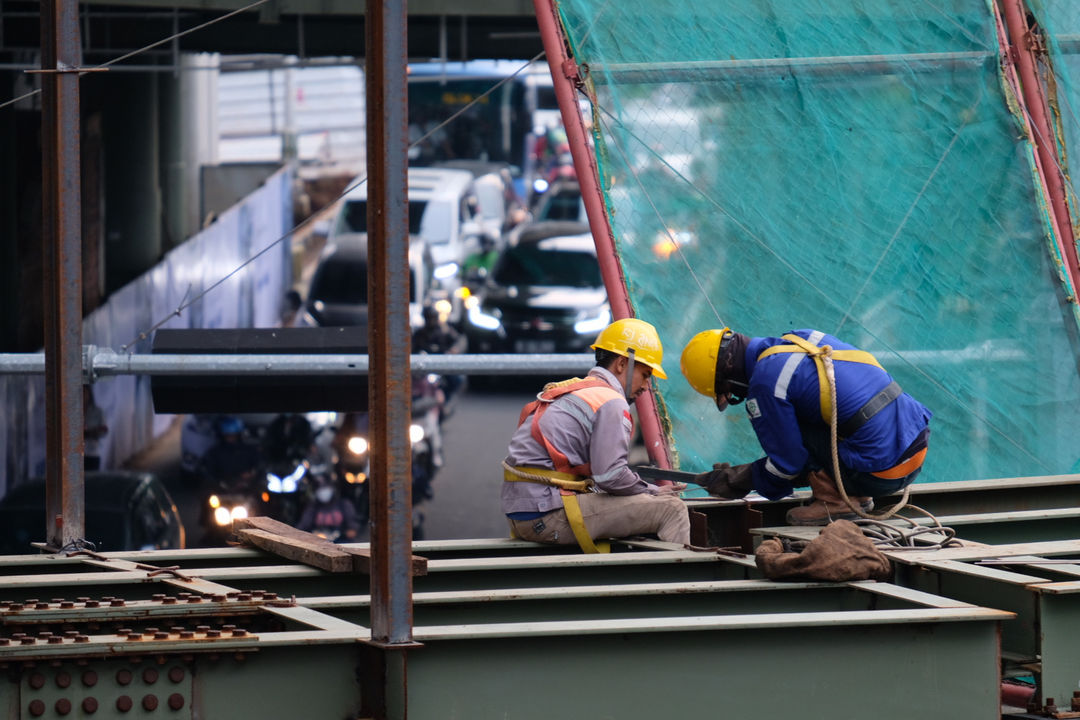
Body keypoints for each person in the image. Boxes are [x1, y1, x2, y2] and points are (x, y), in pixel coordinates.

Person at [679, 327, 933, 526]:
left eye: (729, 391)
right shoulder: (802, 338)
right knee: (820, 413)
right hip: (915, 447)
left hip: (881, 472)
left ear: (729, 374)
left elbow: (788, 464)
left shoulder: (766, 384)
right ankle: (854, 494)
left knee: (797, 435)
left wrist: (742, 480)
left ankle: (837, 501)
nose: (737, 396)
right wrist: (748, 474)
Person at [502, 318, 690, 552]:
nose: (646, 386)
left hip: (526, 513)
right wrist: (650, 491)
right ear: (622, 364)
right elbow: (610, 476)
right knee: (671, 509)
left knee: (649, 504)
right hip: (547, 516)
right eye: (645, 373)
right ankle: (679, 585)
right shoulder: (610, 401)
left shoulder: (581, 391)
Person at [296, 469, 359, 542]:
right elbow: (303, 525)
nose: (323, 491)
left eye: (325, 487)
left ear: (332, 488)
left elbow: (352, 528)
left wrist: (344, 533)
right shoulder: (313, 507)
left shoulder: (344, 504)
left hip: (341, 542)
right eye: (320, 488)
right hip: (319, 543)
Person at [83, 385, 107, 471]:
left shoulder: (97, 411)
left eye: (84, 392)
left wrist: (92, 432)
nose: (82, 396)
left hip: (92, 452)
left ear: (89, 394)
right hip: (76, 454)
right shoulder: (72, 413)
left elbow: (104, 430)